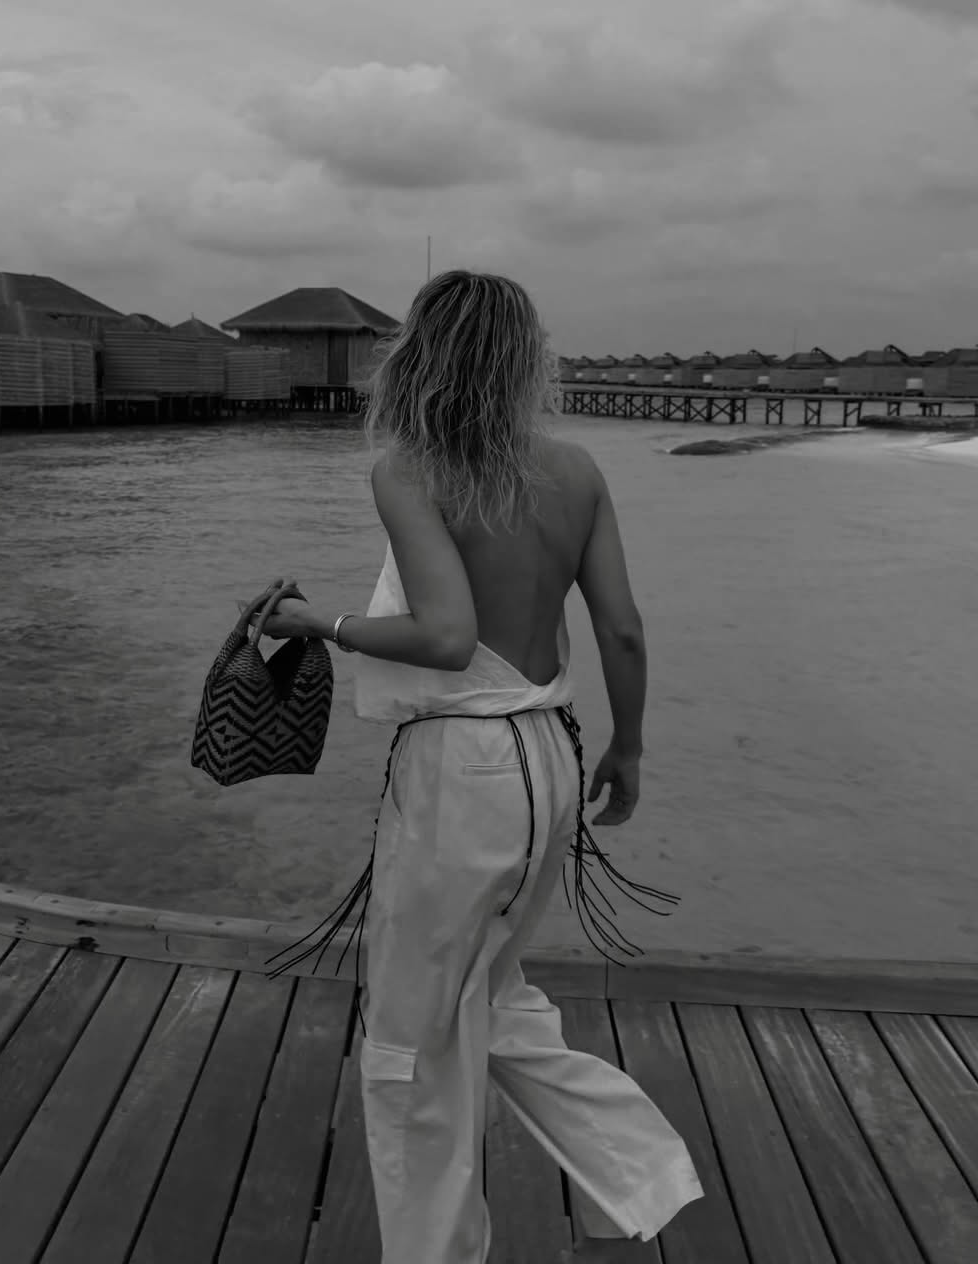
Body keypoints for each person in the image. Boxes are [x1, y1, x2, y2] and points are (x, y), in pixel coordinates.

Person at [259, 270, 703, 1262]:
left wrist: (320, 623)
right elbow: (623, 630)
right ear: (524, 358)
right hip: (550, 752)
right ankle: (642, 1169)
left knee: (408, 1033)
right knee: (487, 994)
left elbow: (448, 637)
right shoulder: (577, 470)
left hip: (465, 770)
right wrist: (629, 747)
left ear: (421, 354)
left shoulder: (411, 471)